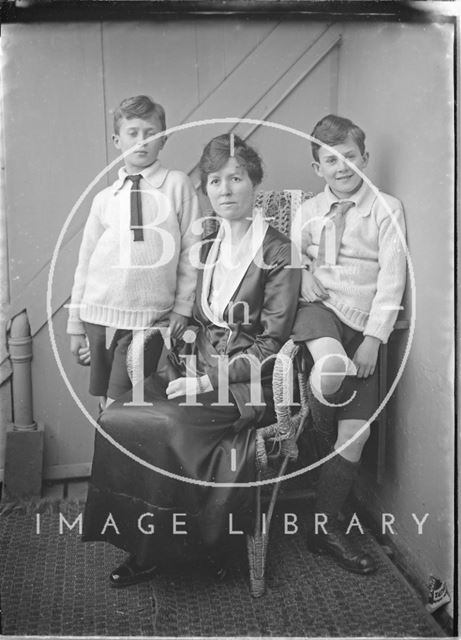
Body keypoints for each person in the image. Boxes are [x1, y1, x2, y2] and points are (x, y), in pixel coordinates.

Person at [81, 133, 302, 587]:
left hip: (245, 382)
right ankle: (144, 547)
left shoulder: (280, 251)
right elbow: (200, 319)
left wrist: (207, 383)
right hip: (190, 367)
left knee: (171, 426)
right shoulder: (209, 243)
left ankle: (195, 548)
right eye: (215, 180)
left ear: (254, 182)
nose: (225, 189)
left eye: (236, 178)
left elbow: (272, 344)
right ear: (206, 189)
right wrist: (181, 353)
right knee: (119, 419)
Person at [291, 114, 406, 574]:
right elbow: (288, 256)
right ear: (317, 167)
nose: (342, 167)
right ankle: (321, 416)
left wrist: (375, 339)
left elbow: (392, 279)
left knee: (355, 436)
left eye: (351, 157)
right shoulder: (306, 211)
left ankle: (325, 526)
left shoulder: (386, 208)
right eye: (330, 160)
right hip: (320, 313)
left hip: (364, 326)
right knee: (332, 366)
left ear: (365, 158)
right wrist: (301, 272)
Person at [67, 95, 200, 409]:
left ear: (163, 139)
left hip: (149, 317)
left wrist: (182, 306)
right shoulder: (104, 198)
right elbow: (85, 262)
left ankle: (126, 457)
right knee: (106, 401)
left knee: (129, 401)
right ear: (117, 140)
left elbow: (193, 250)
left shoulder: (176, 185)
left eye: (150, 133)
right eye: (133, 133)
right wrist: (75, 325)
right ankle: (112, 455)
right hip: (99, 315)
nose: (142, 141)